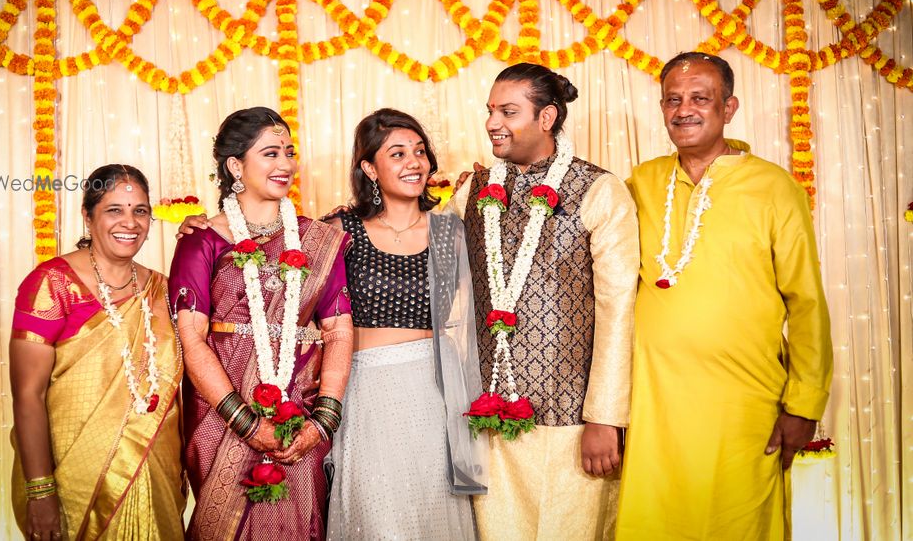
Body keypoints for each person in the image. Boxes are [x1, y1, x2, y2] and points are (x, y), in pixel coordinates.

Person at [615, 52, 833, 539]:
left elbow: (807, 302)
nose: (684, 109)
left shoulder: (774, 187)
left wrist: (803, 405)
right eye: (672, 99)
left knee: (739, 523)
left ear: (729, 108)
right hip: (657, 405)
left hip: (745, 404)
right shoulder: (642, 182)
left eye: (700, 98)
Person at [450, 63, 640, 540]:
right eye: (490, 110)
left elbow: (618, 310)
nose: (493, 122)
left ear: (547, 116)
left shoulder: (598, 190)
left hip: (571, 423)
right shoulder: (472, 191)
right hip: (488, 419)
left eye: (508, 111)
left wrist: (605, 418)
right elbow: (421, 253)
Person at [169, 107, 353, 541]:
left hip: (300, 407)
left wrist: (322, 420)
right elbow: (191, 339)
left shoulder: (318, 240)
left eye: (289, 153)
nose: (285, 165)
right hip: (220, 411)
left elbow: (339, 331)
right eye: (270, 154)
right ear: (236, 165)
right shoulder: (202, 241)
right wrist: (247, 423)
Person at [324, 109, 487, 540]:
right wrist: (205, 228)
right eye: (397, 154)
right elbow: (275, 259)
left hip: (432, 391)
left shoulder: (450, 229)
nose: (414, 162)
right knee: (379, 516)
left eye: (420, 152)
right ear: (369, 168)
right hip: (363, 392)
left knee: (432, 509)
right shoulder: (340, 231)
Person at [9, 164, 185, 541]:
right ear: (88, 217)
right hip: (77, 481)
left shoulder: (162, 289)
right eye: (114, 209)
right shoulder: (50, 284)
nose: (130, 222)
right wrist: (40, 492)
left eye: (140, 210)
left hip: (156, 472)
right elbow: (28, 395)